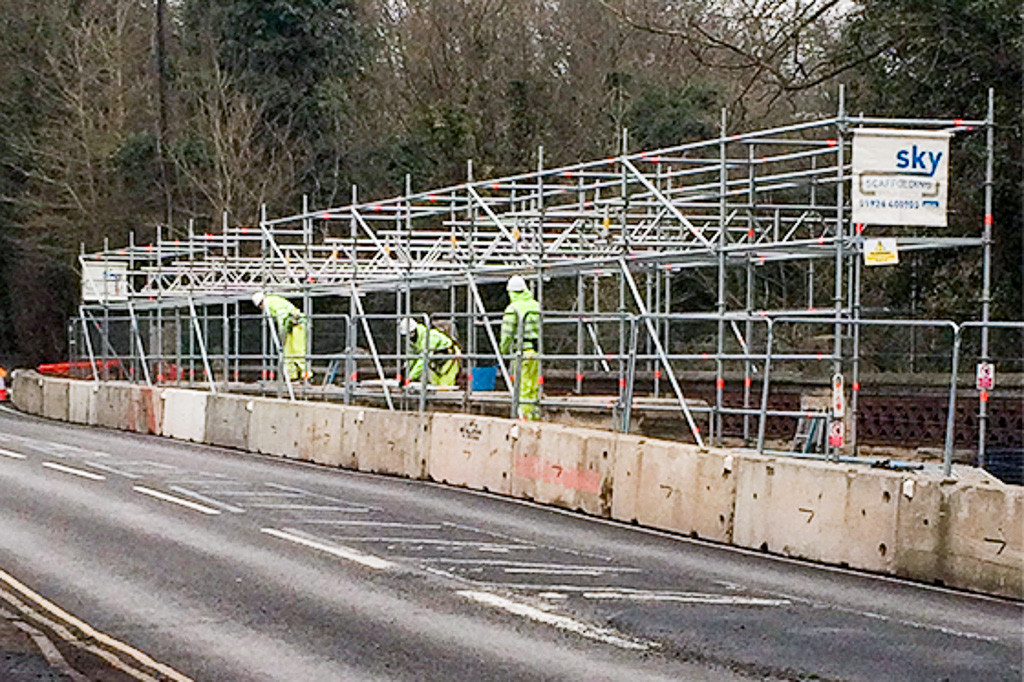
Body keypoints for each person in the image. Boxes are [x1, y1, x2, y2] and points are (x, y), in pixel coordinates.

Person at [498, 275, 540, 420]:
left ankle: (524, 415)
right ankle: (535, 414)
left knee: (521, 385)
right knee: (533, 384)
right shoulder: (535, 305)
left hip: (521, 351)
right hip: (535, 351)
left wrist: (502, 350)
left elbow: (507, 333)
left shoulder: (513, 308)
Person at [252, 292, 311, 381]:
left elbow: (281, 318)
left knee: (298, 350)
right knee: (288, 352)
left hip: (297, 324)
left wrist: (282, 334)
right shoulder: (273, 300)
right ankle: (292, 376)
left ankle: (304, 375)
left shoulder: (269, 303)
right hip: (290, 325)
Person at [399, 317, 461, 387]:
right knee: (434, 385)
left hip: (449, 358)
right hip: (435, 361)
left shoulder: (429, 336)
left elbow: (423, 360)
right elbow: (412, 357)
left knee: (445, 386)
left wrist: (410, 377)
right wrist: (405, 369)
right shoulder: (414, 340)